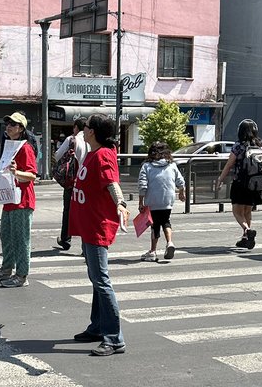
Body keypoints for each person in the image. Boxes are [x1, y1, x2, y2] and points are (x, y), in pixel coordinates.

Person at [68, 112, 129, 356]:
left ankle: (114, 338)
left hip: (97, 227)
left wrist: (121, 203)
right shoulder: (93, 153)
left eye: (85, 125)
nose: (82, 128)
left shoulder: (103, 154)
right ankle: (97, 327)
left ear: (92, 131)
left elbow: (111, 183)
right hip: (88, 225)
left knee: (102, 281)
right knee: (96, 280)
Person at [0, 112, 37, 288]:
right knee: (6, 236)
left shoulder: (25, 148)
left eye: (13, 124)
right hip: (9, 199)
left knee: (20, 239)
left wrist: (16, 173)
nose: (8, 126)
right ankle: (7, 268)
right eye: (7, 123)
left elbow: (31, 175)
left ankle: (22, 275)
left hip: (22, 201)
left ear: (21, 129)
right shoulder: (10, 146)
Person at [213, 118, 262, 248]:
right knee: (248, 211)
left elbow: (229, 165)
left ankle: (247, 230)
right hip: (257, 184)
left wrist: (220, 180)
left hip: (241, 183)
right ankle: (246, 237)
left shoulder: (238, 146)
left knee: (237, 211)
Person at [137, 141, 186, 262]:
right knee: (166, 221)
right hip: (167, 200)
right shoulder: (172, 165)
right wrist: (181, 192)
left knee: (155, 225)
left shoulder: (147, 166)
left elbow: (142, 185)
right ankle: (169, 243)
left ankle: (153, 251)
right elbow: (180, 181)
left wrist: (141, 202)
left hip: (152, 201)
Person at [54, 117, 87, 251]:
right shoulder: (92, 141)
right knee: (85, 213)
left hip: (71, 181)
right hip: (85, 180)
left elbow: (57, 155)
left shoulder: (71, 139)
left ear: (76, 127)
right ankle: (86, 246)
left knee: (68, 210)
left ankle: (66, 239)